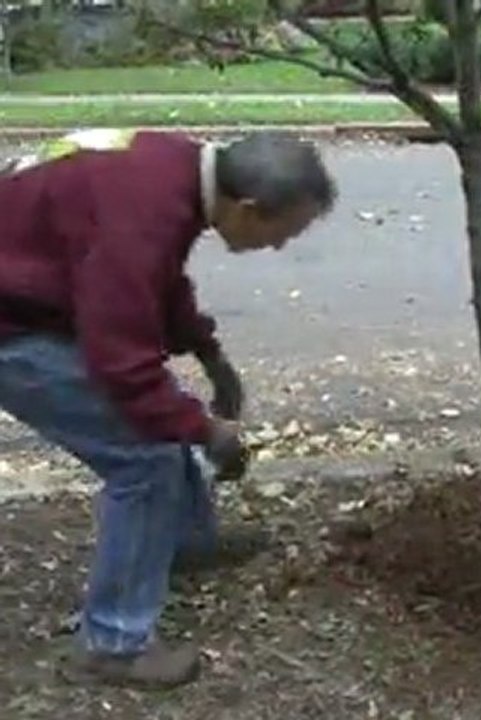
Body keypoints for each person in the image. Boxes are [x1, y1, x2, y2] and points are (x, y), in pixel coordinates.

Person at [0, 128, 338, 689]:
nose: (279, 248)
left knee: (160, 429)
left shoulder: (171, 169)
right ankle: (113, 644)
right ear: (249, 210)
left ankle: (181, 544)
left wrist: (208, 351)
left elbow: (156, 278)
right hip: (12, 328)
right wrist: (205, 430)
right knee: (146, 459)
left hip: (34, 297)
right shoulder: (140, 211)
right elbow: (124, 365)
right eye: (283, 233)